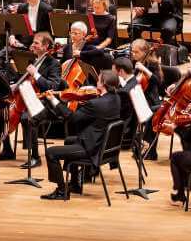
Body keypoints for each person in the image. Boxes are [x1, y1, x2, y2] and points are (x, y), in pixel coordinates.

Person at [40, 70, 121, 200]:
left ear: (104, 83)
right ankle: (74, 184)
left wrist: (53, 101)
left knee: (51, 152)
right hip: (104, 145)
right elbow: (98, 114)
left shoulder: (95, 104)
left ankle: (61, 190)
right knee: (69, 140)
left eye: (99, 80)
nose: (96, 82)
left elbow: (71, 118)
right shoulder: (116, 98)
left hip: (92, 148)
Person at [14, 32, 63, 166]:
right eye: (33, 42)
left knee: (29, 117)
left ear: (46, 46)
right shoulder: (33, 60)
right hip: (30, 98)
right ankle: (7, 149)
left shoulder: (54, 64)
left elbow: (52, 86)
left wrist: (36, 74)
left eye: (36, 43)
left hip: (47, 102)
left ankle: (35, 157)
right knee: (7, 109)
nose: (32, 45)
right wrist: (16, 84)